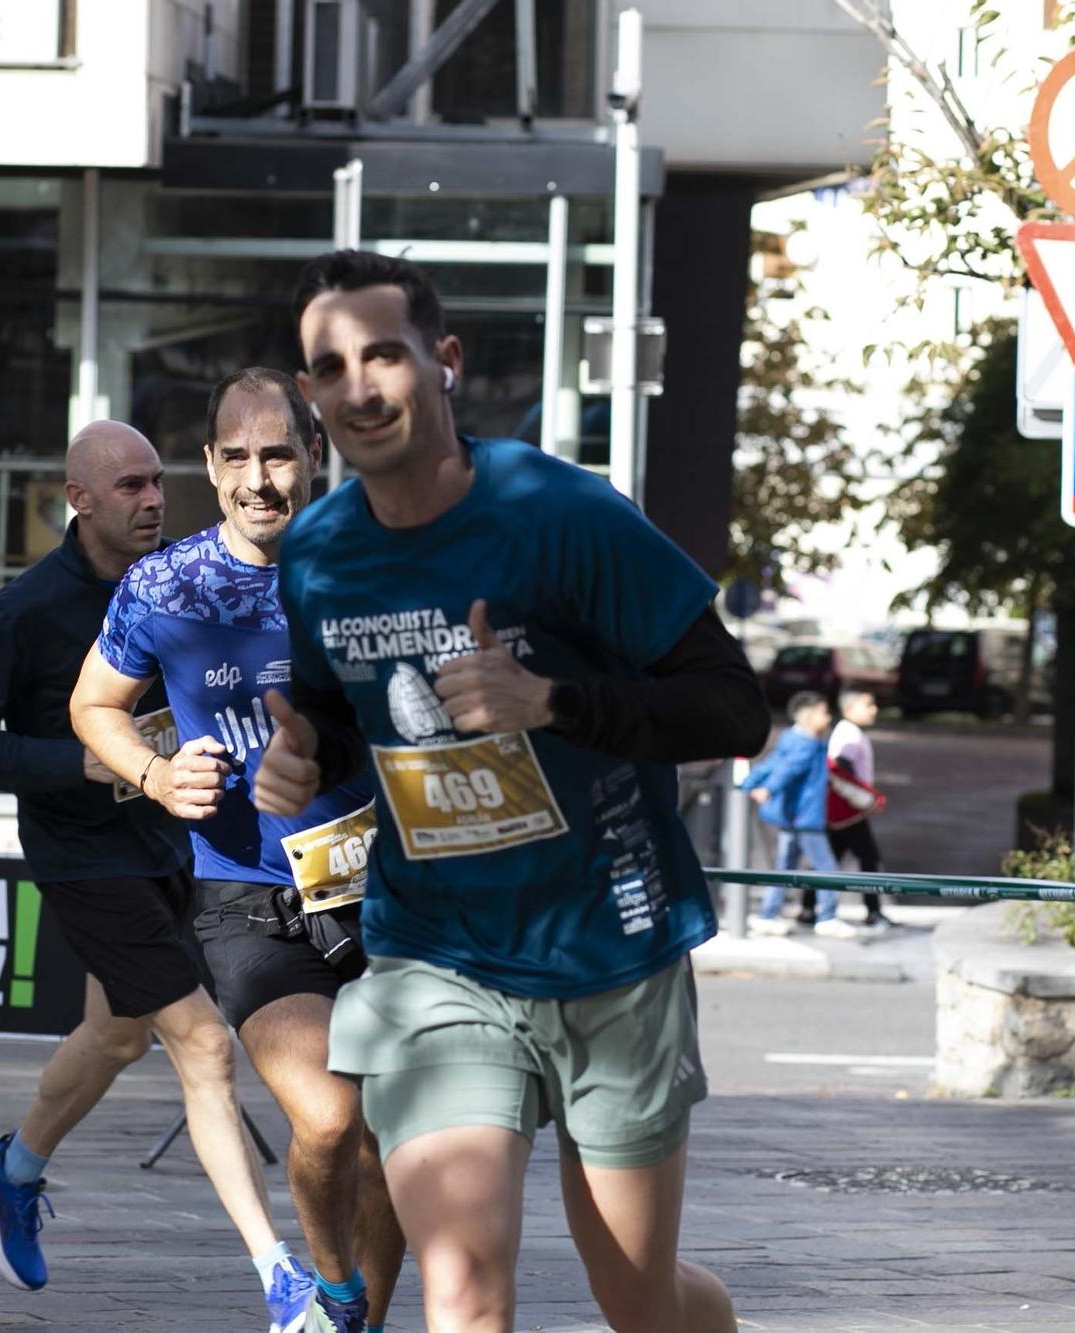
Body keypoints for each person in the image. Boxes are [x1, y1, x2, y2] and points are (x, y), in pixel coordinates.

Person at [254, 250, 767, 1333]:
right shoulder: (317, 556)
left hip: (609, 950)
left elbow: (732, 709)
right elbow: (338, 719)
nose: (358, 388)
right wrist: (304, 760)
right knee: (460, 1290)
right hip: (436, 957)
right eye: (330, 367)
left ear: (443, 360)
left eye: (384, 355)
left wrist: (551, 702)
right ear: (308, 392)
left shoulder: (559, 513)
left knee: (639, 1301)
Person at [0, 422, 303, 1331]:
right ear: (78, 499)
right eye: (129, 486)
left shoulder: (180, 580)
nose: (152, 500)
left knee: (118, 1033)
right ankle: (282, 1276)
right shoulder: (23, 610)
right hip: (86, 858)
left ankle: (11, 1168)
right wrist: (87, 761)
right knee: (204, 1044)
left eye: (157, 481)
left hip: (178, 842)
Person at [72, 369, 404, 1333]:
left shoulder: (370, 567)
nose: (260, 479)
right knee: (330, 1120)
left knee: (388, 1144)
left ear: (315, 457)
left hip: (386, 895)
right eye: (239, 457)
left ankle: (362, 1324)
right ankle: (334, 1287)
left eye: (280, 455)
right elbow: (93, 705)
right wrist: (155, 773)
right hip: (249, 901)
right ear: (213, 467)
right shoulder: (165, 584)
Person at [741, 691, 858, 939]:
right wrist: (767, 789)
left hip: (791, 815)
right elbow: (788, 770)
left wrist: (751, 782)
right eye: (823, 713)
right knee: (826, 867)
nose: (828, 718)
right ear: (807, 716)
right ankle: (827, 917)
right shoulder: (808, 745)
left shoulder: (791, 739)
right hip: (806, 815)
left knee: (784, 866)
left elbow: (773, 763)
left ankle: (767, 915)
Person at [825, 689, 890, 930]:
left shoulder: (849, 731)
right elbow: (841, 767)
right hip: (848, 810)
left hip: (845, 809)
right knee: (868, 859)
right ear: (849, 708)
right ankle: (873, 911)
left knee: (830, 859)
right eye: (868, 705)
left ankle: (809, 908)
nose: (874, 710)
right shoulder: (849, 734)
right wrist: (865, 796)